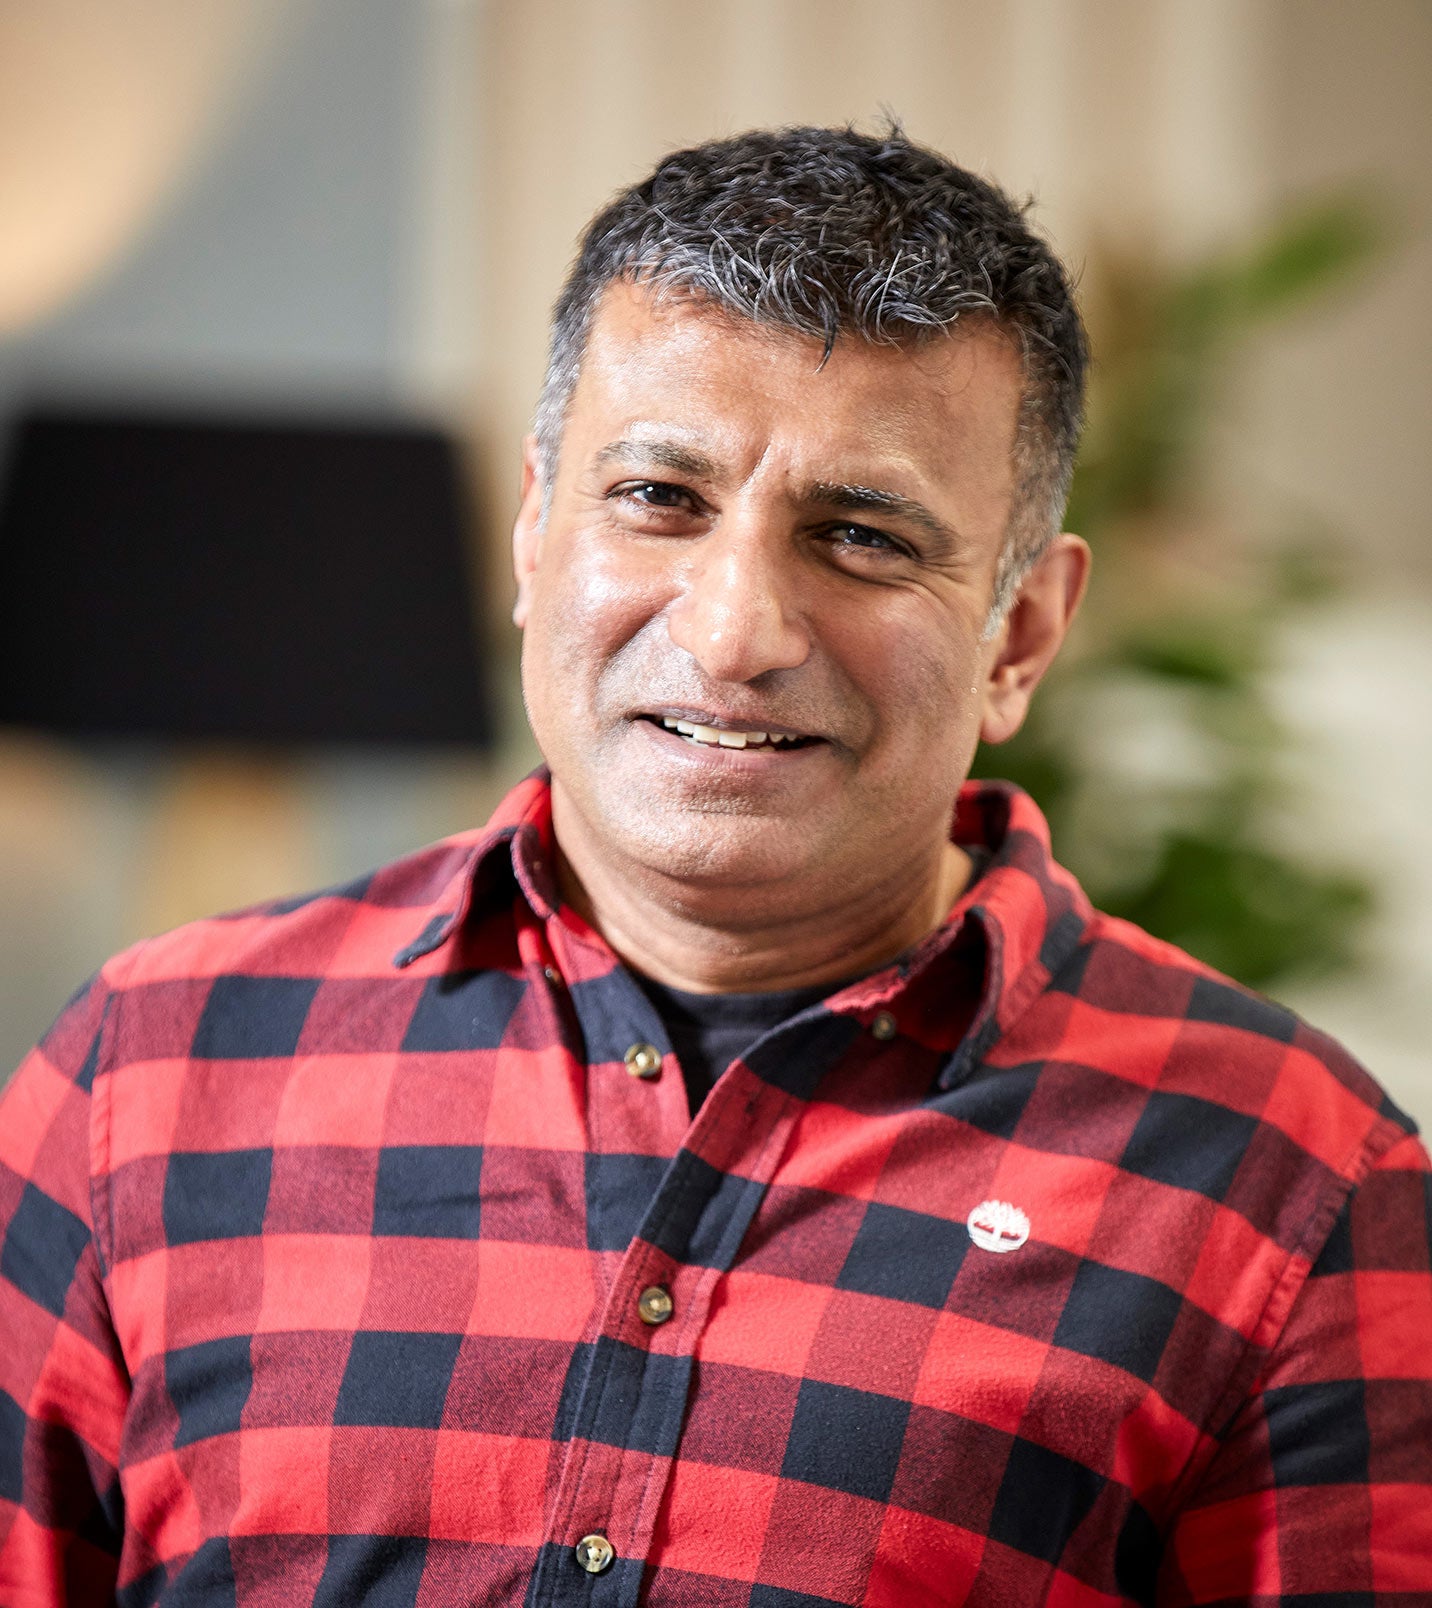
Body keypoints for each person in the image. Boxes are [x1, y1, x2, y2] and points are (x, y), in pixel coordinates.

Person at [1, 125, 1428, 1607]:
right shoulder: (145, 1077)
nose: (735, 632)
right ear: (534, 537)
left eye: (862, 536)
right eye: (658, 498)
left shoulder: (1296, 1191)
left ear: (1020, 635)